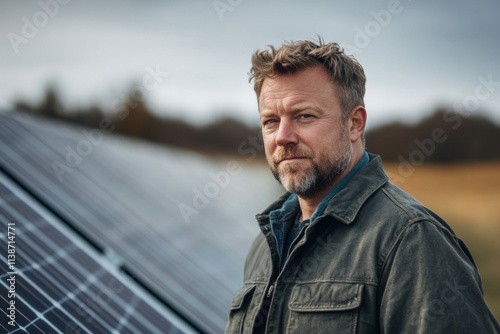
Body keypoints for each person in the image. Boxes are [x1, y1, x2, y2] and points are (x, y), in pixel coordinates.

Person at [225, 38, 499, 333]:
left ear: (355, 123)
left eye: (304, 116)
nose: (283, 136)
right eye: (270, 121)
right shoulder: (265, 245)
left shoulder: (411, 239)